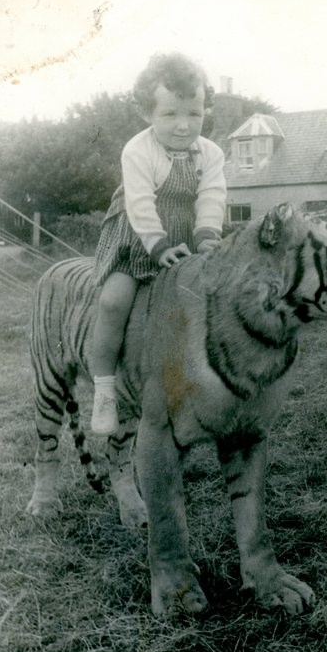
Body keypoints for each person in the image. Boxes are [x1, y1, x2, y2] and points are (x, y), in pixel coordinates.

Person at [91, 52, 226, 435]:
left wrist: (206, 238)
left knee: (213, 302)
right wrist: (158, 246)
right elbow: (140, 204)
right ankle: (104, 390)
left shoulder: (211, 154)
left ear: (204, 110)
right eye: (170, 115)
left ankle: (203, 380)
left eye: (194, 114)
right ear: (147, 113)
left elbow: (212, 197)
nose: (184, 126)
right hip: (139, 236)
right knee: (114, 301)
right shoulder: (137, 150)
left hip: (188, 234)